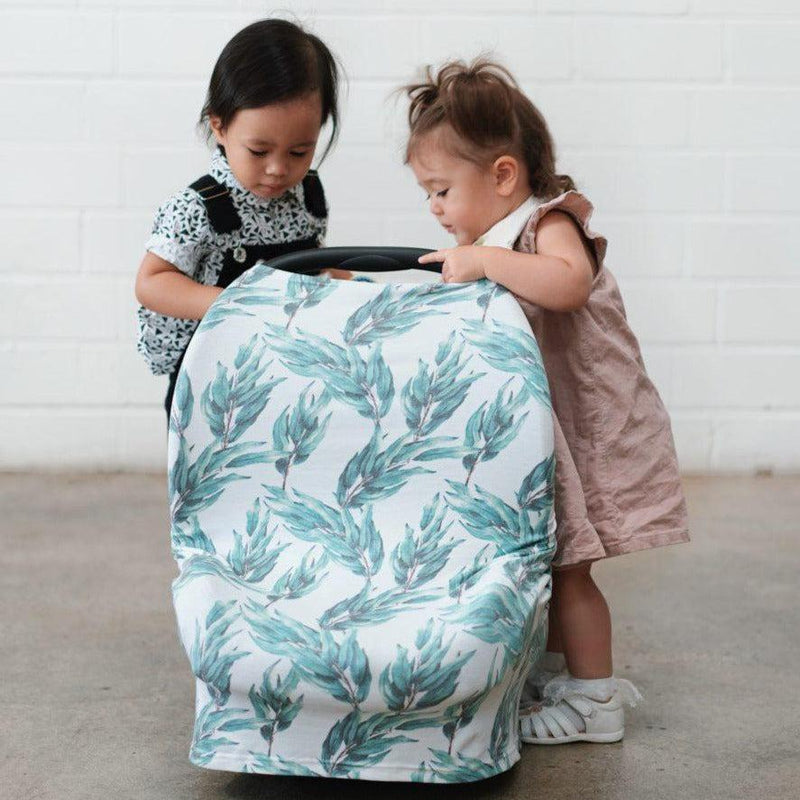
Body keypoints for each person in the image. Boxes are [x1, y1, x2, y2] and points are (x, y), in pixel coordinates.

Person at [402, 58, 690, 744]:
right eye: (428, 194)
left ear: (504, 175)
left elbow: (568, 285)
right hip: (545, 429)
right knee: (552, 558)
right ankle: (567, 677)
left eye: (442, 190)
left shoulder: (545, 225)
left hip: (588, 424)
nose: (435, 209)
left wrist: (484, 263)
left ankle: (595, 703)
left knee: (571, 570)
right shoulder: (497, 239)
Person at [135, 18, 341, 421]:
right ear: (220, 126)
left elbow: (315, 265)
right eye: (259, 151)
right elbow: (151, 283)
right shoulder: (196, 208)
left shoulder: (308, 196)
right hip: (210, 373)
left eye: (299, 152)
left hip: (283, 367)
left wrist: (350, 288)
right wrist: (238, 304)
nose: (278, 169)